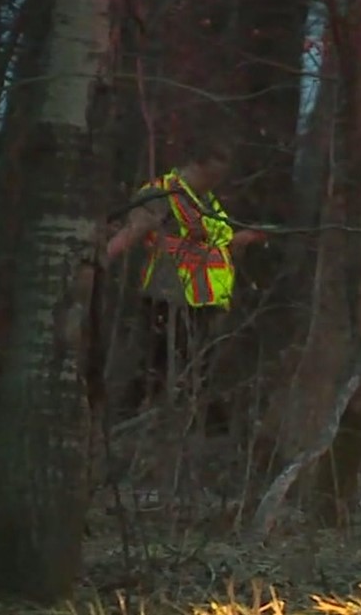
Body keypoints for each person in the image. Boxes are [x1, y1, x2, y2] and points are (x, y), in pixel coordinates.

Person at [103, 137, 267, 433]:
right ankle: (125, 426)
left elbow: (214, 243)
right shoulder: (162, 193)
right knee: (160, 368)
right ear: (196, 164)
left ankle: (188, 434)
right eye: (212, 175)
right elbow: (132, 232)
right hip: (168, 295)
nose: (215, 182)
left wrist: (243, 239)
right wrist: (99, 261)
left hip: (201, 302)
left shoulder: (205, 200)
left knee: (190, 369)